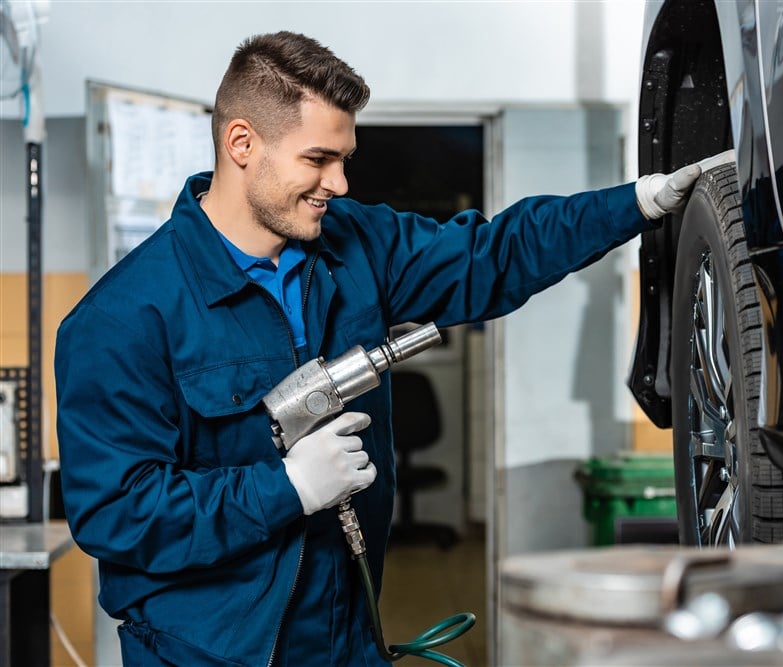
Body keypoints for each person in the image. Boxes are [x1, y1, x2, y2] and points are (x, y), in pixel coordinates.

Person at [56, 31, 709, 667]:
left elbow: (494, 253)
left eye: (344, 159)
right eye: (318, 159)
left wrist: (637, 203)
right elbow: (118, 512)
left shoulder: (354, 245)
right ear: (242, 144)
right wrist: (283, 487)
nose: (339, 184)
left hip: (347, 633)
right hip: (209, 650)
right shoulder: (122, 317)